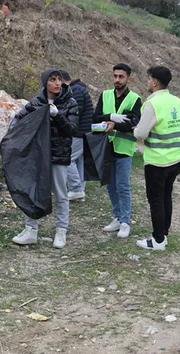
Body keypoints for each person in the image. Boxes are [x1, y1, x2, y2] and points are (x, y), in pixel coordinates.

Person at [11, 69, 79, 249]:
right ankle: (31, 230)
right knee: (33, 192)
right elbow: (19, 119)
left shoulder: (70, 103)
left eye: (59, 80)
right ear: (45, 83)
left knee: (61, 195)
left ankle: (61, 231)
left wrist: (58, 116)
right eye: (52, 80)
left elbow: (72, 130)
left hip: (59, 155)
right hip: (38, 156)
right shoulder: (37, 102)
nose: (57, 83)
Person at [133, 66, 180, 250]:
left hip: (157, 161)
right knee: (166, 197)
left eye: (148, 79)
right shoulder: (176, 101)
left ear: (154, 82)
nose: (147, 82)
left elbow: (141, 133)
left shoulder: (152, 103)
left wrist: (134, 129)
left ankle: (158, 240)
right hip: (175, 159)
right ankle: (164, 234)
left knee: (156, 200)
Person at [93, 63, 142, 239]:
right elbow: (95, 117)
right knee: (111, 186)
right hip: (106, 147)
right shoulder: (105, 95)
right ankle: (117, 217)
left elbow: (134, 122)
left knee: (122, 186)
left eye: (121, 77)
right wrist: (110, 117)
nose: (117, 80)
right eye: (115, 76)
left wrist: (117, 125)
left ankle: (125, 222)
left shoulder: (135, 99)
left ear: (128, 78)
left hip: (123, 148)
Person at [61, 71, 94, 201]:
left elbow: (75, 113)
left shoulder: (75, 91)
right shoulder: (79, 89)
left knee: (67, 159)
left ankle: (76, 189)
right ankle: (80, 193)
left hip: (79, 132)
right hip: (85, 132)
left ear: (63, 80)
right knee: (79, 162)